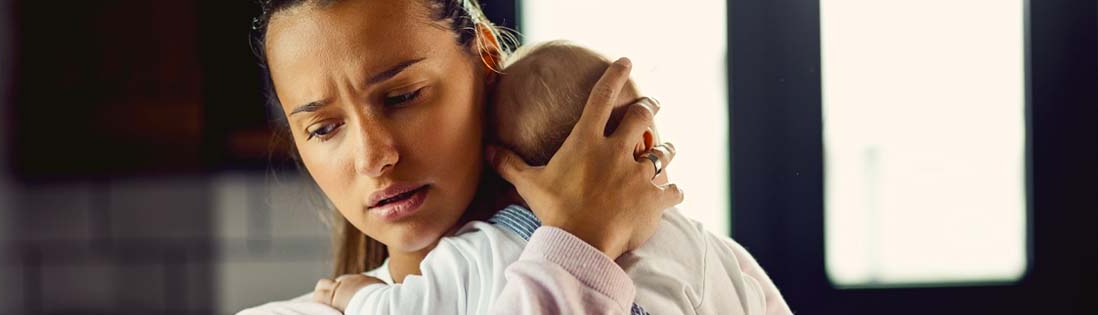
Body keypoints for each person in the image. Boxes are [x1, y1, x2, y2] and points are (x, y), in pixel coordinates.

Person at [235, 0, 693, 313]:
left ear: (486, 59)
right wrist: (579, 247)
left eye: (402, 97)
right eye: (324, 128)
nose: (373, 157)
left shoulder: (684, 263)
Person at [312, 41, 792, 315]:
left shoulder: (482, 250)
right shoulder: (714, 249)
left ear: (499, 170)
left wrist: (354, 297)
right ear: (643, 143)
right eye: (324, 127)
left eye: (403, 95)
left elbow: (403, 312)